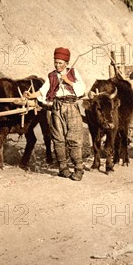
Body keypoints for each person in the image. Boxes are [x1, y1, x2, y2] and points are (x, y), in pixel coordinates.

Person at [24, 47, 87, 181]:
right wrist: (31, 95)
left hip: (71, 107)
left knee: (73, 138)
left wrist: (68, 81)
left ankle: (78, 169)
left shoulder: (74, 73)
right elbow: (43, 91)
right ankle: (63, 168)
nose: (57, 65)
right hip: (56, 107)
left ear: (66, 63)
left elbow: (82, 90)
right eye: (55, 62)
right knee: (58, 139)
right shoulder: (52, 76)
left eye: (60, 63)